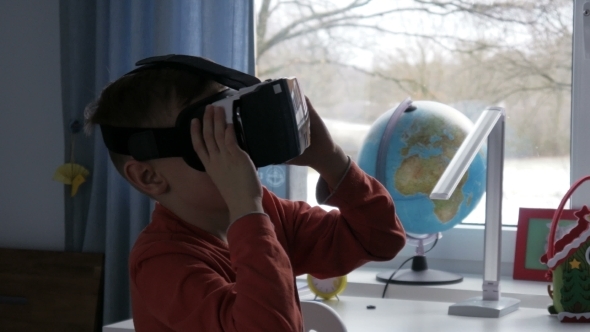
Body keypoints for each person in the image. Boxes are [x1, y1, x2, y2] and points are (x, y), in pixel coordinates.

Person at [85, 64, 406, 332]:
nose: (236, 151)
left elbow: (380, 239)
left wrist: (330, 160)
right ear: (149, 177)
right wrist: (246, 210)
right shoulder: (161, 262)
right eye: (209, 140)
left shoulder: (267, 212)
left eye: (230, 126)